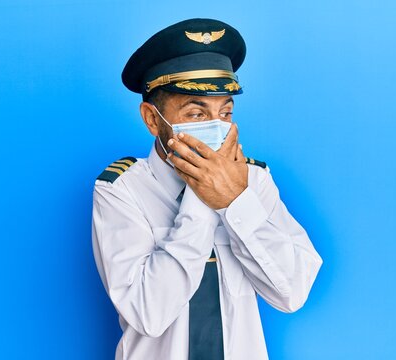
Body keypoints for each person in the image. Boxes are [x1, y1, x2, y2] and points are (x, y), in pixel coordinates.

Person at [91, 18, 322, 360]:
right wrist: (203, 196)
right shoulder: (121, 190)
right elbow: (147, 313)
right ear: (152, 119)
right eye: (196, 114)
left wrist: (235, 202)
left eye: (225, 112)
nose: (216, 126)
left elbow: (291, 293)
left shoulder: (253, 180)